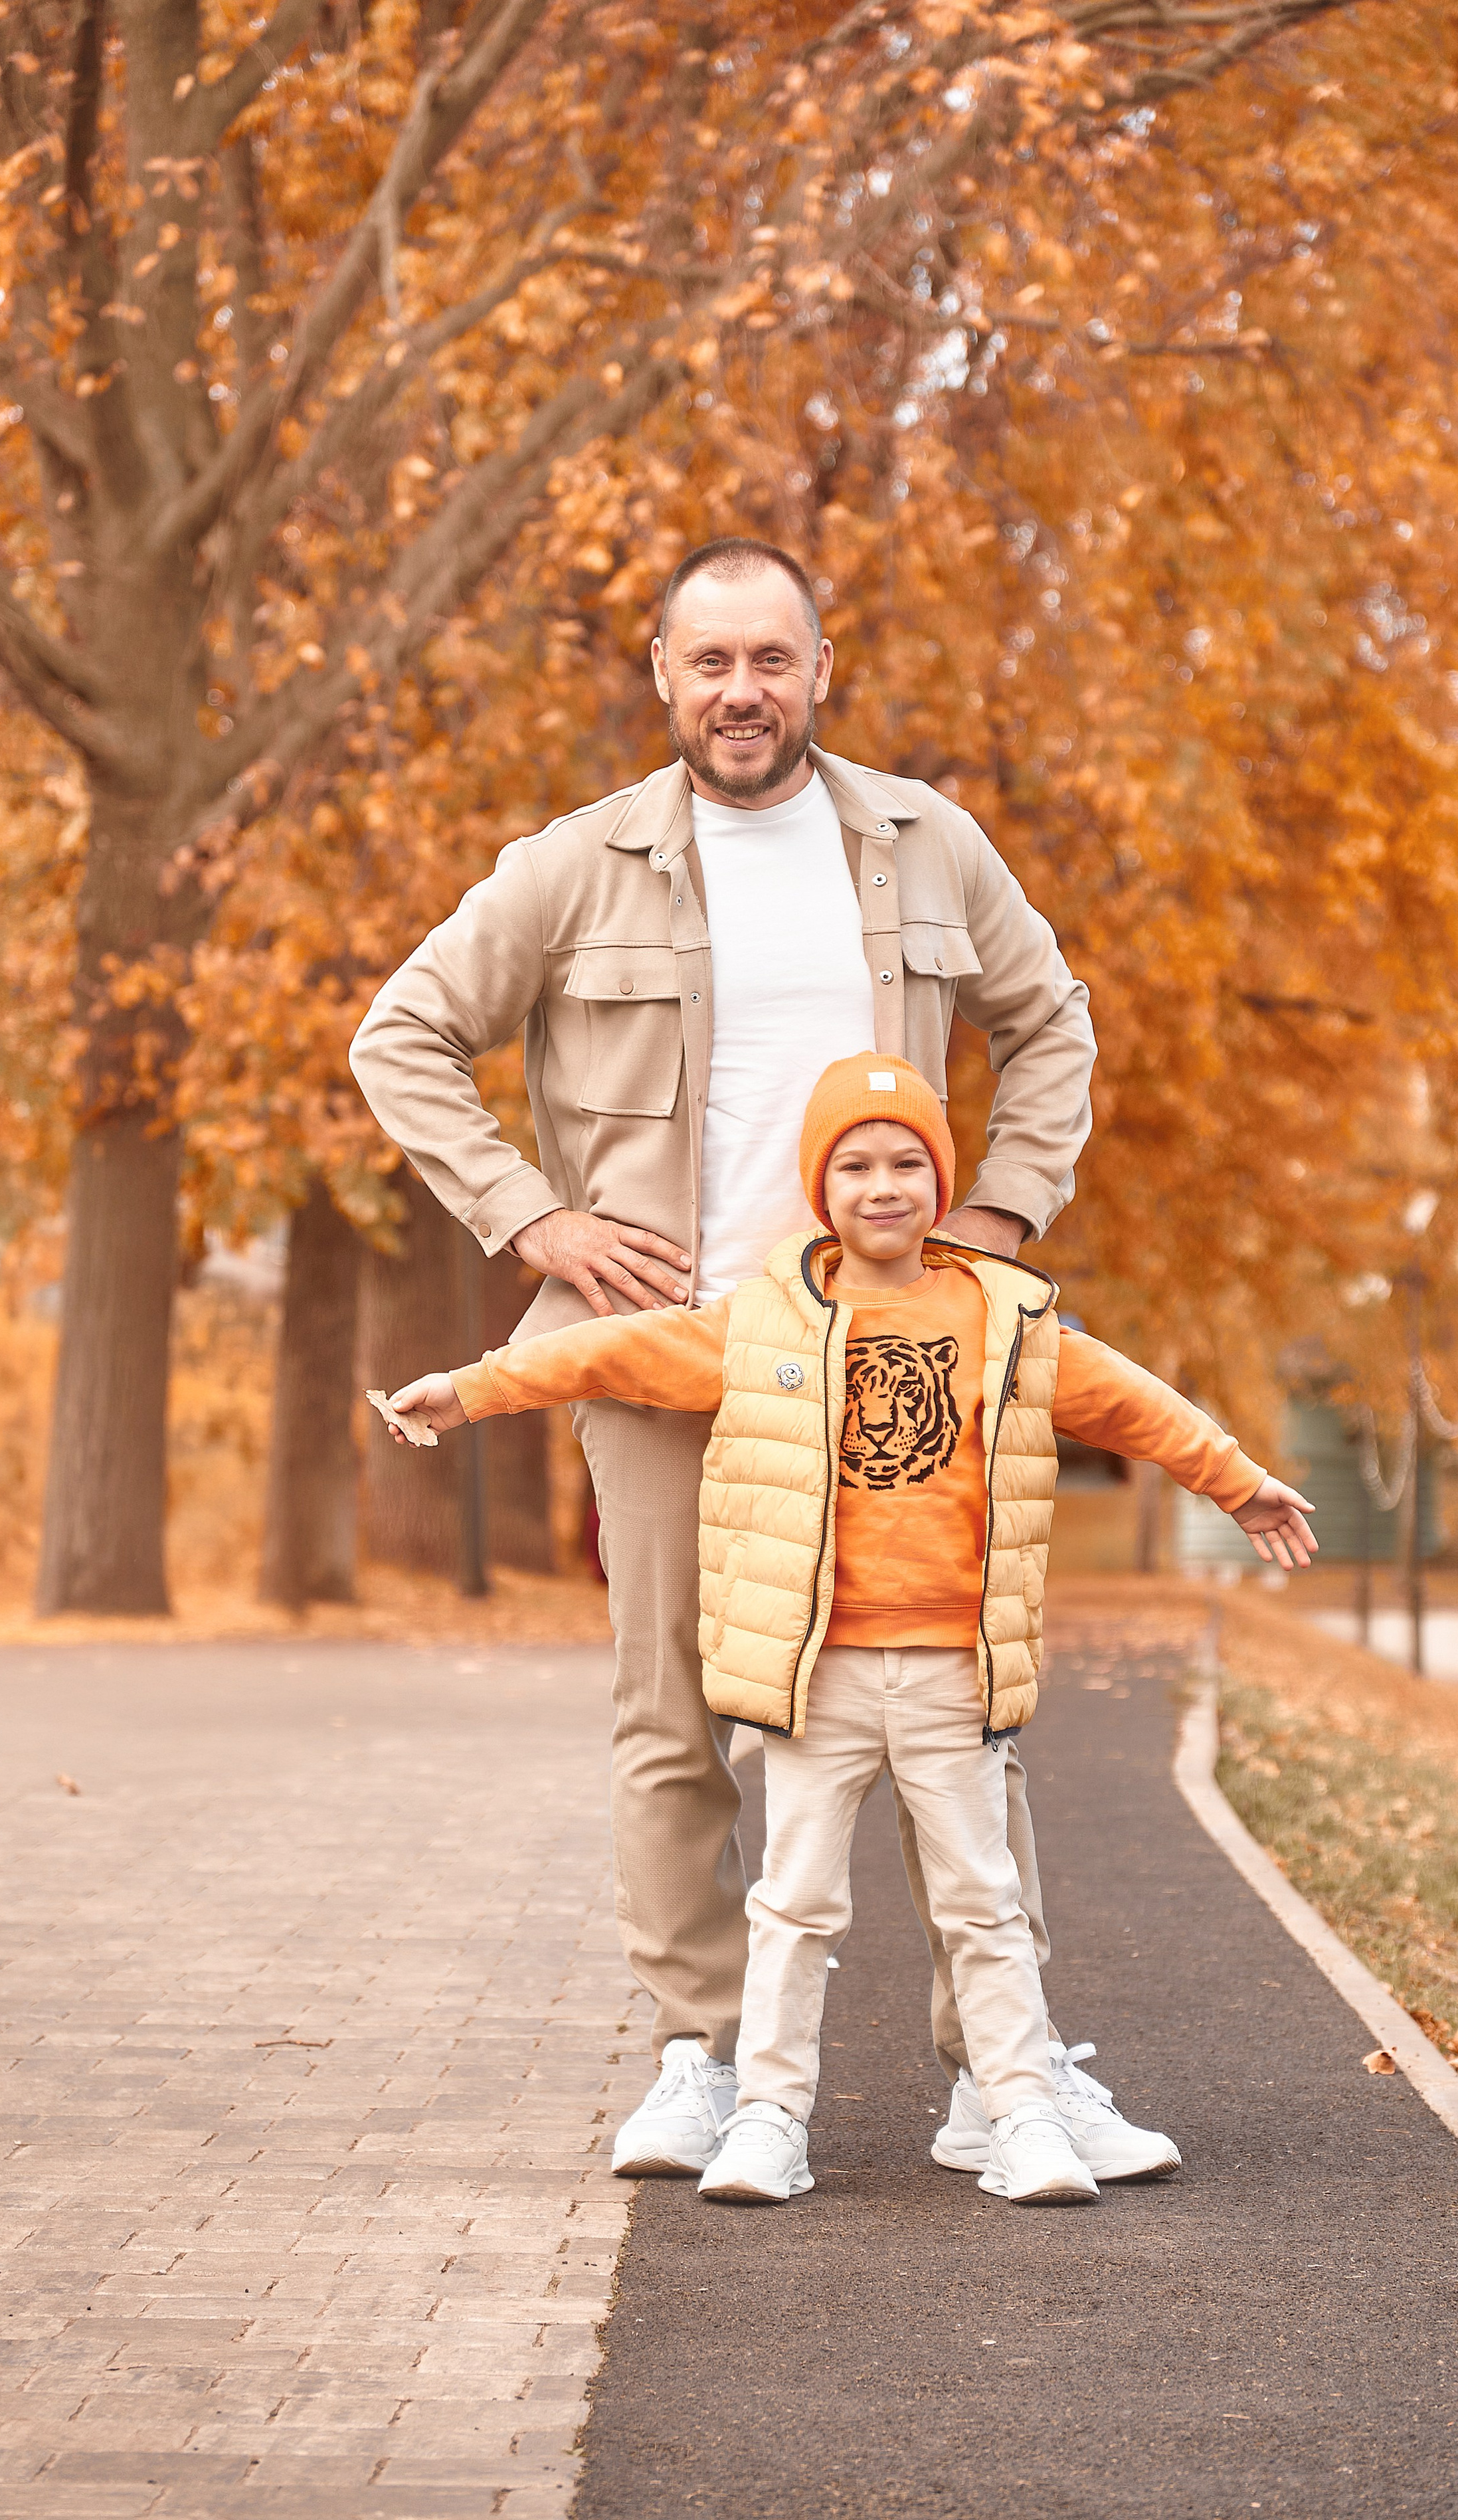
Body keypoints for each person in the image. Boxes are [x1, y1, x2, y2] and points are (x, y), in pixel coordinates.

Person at [349, 534, 1137, 2181]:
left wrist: (996, 1215)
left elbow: (1048, 1017)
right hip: (662, 1356)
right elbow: (402, 1036)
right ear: (660, 676)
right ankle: (702, 2054)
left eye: (770, 660)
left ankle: (995, 2071)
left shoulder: (926, 846)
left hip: (883, 1365)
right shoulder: (573, 867)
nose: (739, 692)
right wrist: (527, 1222)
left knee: (950, 1703)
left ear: (820, 670)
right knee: (671, 1709)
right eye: (708, 663)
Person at [379, 1055, 1316, 2204]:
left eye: (909, 1161)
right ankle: (770, 2117)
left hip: (948, 1674)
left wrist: (1240, 1483)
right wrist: (472, 1387)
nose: (885, 1185)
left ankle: (1018, 2114)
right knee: (794, 1905)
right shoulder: (762, 1320)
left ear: (944, 1179)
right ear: (821, 1189)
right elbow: (607, 1352)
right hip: (815, 1679)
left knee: (984, 1904)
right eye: (856, 1164)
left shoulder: (1003, 1316)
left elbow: (1133, 1403)